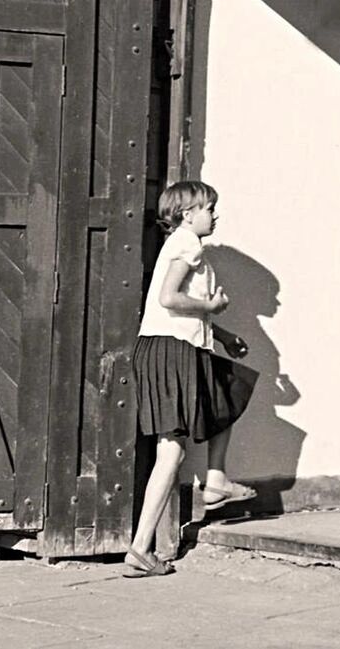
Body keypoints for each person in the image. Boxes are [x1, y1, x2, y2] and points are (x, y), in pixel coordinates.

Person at [125, 180, 259, 577]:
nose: (215, 215)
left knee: (228, 390)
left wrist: (222, 335)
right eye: (209, 209)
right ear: (188, 215)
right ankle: (140, 549)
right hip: (172, 352)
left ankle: (215, 481)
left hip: (175, 348)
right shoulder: (187, 243)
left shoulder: (182, 244)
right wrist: (211, 307)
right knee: (171, 453)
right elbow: (169, 298)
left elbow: (176, 307)